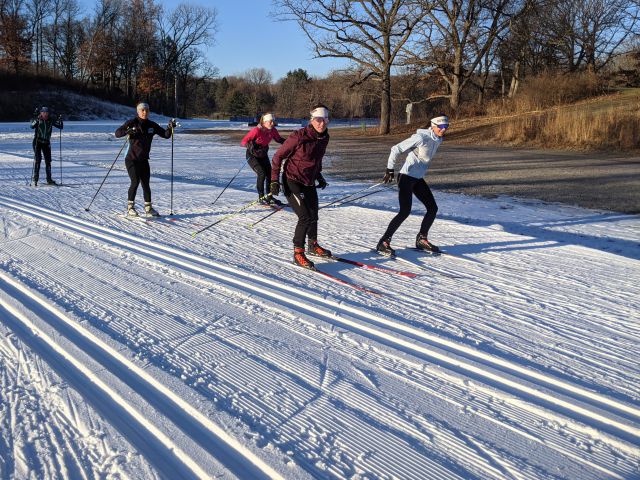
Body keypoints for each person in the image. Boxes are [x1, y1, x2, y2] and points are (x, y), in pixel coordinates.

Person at [376, 114, 450, 257]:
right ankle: (383, 242)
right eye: (441, 127)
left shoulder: (438, 139)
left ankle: (422, 239)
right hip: (406, 177)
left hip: (417, 179)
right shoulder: (421, 138)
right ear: (433, 126)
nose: (443, 130)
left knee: (432, 208)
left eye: (446, 127)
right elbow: (395, 149)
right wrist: (390, 169)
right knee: (405, 211)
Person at [270, 104, 332, 269]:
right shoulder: (299, 136)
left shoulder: (324, 137)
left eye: (325, 119)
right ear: (312, 120)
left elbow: (316, 160)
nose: (322, 123)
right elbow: (277, 156)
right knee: (304, 216)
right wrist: (274, 180)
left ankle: (313, 245)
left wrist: (319, 176)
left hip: (309, 181)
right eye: (318, 120)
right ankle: (298, 253)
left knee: (314, 214)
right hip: (292, 180)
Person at [115, 102, 175, 217]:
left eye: (146, 110)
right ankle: (130, 207)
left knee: (146, 184)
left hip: (143, 159)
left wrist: (170, 127)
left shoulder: (151, 125)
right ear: (138, 112)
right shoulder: (132, 123)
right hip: (131, 158)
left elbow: (166, 135)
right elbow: (117, 133)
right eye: (142, 110)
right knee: (135, 181)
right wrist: (127, 131)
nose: (144, 112)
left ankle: (148, 208)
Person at [240, 113, 286, 205]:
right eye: (270, 121)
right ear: (264, 122)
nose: (273, 123)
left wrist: (290, 143)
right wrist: (251, 146)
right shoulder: (256, 131)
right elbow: (243, 142)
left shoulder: (273, 130)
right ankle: (261, 197)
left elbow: (279, 139)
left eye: (273, 121)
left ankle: (269, 196)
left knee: (270, 174)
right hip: (252, 155)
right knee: (262, 173)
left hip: (263, 155)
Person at [30, 106, 63, 186]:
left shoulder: (50, 120)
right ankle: (35, 177)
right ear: (41, 113)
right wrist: (35, 119)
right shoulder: (38, 119)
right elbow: (31, 126)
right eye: (43, 112)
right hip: (37, 142)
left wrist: (60, 120)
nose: (45, 114)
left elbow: (60, 126)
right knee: (38, 159)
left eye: (46, 113)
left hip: (46, 143)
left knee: (48, 161)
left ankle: (49, 179)